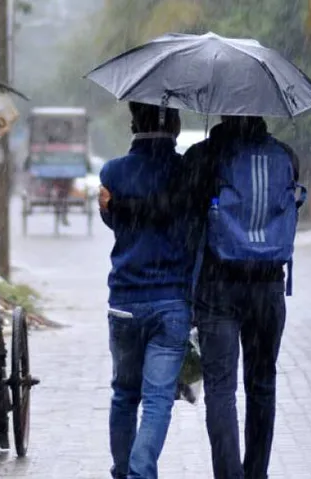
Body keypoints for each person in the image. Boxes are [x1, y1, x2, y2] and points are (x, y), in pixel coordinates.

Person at [183, 116, 302, 479]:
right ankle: (256, 473)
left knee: (221, 389)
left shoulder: (204, 155)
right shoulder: (286, 155)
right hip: (268, 286)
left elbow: (187, 220)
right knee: (262, 384)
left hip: (218, 285)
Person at [98, 102, 200, 479]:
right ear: (175, 124)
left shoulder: (113, 173)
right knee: (157, 399)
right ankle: (142, 472)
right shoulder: (187, 171)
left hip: (125, 299)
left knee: (124, 394)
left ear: (131, 123)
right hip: (172, 302)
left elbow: (114, 222)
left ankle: (124, 472)